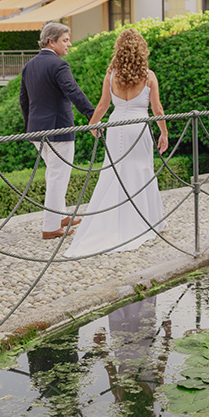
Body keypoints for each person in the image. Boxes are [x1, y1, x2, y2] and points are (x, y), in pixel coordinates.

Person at [64, 29, 169, 258]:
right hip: (138, 127)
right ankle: (146, 220)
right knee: (142, 171)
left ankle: (110, 220)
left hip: (116, 126)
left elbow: (102, 105)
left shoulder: (111, 75)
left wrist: (93, 124)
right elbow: (157, 109)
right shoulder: (149, 76)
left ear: (118, 50)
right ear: (141, 50)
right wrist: (164, 132)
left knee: (113, 172)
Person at [19, 22, 96, 240]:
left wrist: (28, 129)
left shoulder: (29, 66)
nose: (69, 44)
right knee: (58, 177)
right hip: (59, 129)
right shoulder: (59, 65)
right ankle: (51, 227)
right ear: (51, 42)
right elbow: (73, 91)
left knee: (53, 173)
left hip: (36, 131)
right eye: (65, 40)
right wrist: (93, 116)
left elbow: (23, 100)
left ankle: (61, 216)